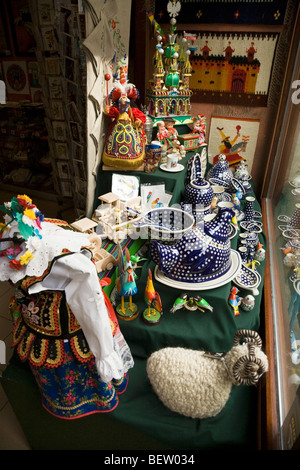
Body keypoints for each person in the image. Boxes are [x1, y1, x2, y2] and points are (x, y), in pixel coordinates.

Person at [0, 194, 134, 419]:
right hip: (51, 323)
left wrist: (103, 354)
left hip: (65, 321)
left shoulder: (69, 257)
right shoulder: (18, 232)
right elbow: (91, 305)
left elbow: (90, 305)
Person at [102, 71, 146, 169]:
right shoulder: (117, 110)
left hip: (132, 129)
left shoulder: (133, 110)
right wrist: (108, 110)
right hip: (117, 128)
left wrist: (138, 120)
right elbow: (113, 112)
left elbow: (141, 116)